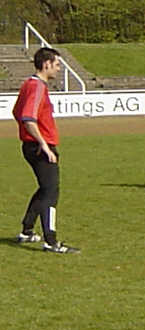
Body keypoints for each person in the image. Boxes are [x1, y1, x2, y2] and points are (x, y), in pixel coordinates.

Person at [12, 47, 79, 253]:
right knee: (51, 191)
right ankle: (51, 241)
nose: (59, 69)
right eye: (57, 64)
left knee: (45, 188)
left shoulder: (28, 84)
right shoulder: (37, 87)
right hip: (40, 148)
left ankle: (27, 230)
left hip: (32, 145)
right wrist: (42, 144)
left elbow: (16, 112)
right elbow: (27, 118)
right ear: (46, 64)